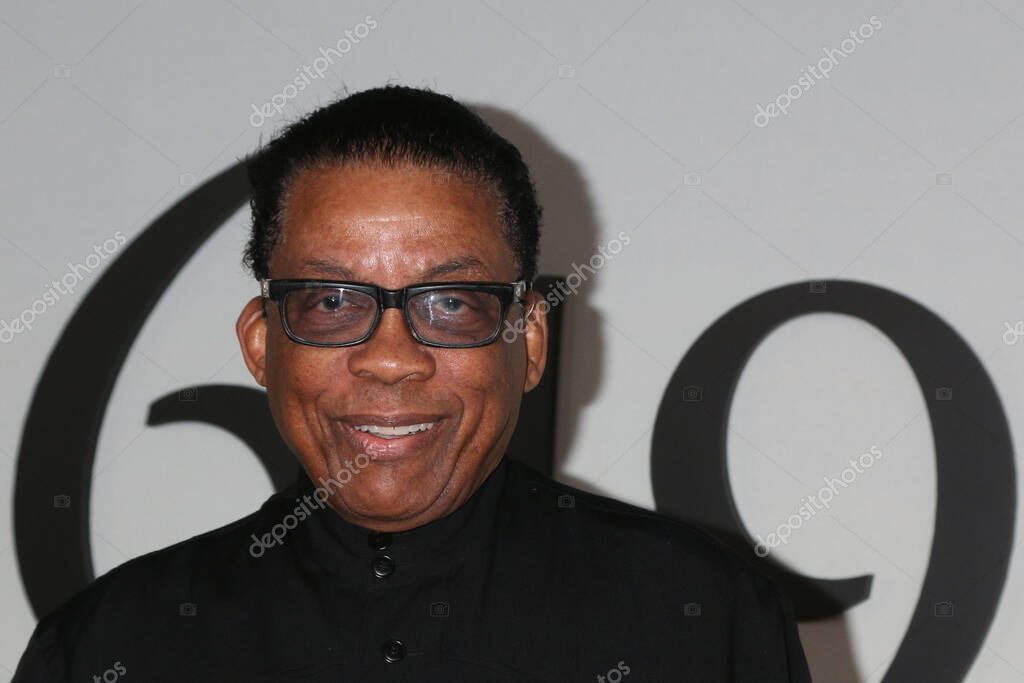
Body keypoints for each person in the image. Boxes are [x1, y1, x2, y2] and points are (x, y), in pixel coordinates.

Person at [13, 85, 811, 681]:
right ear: (261, 344)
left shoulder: (704, 621)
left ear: (529, 339)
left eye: (450, 302)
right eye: (332, 301)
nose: (390, 357)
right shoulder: (108, 648)